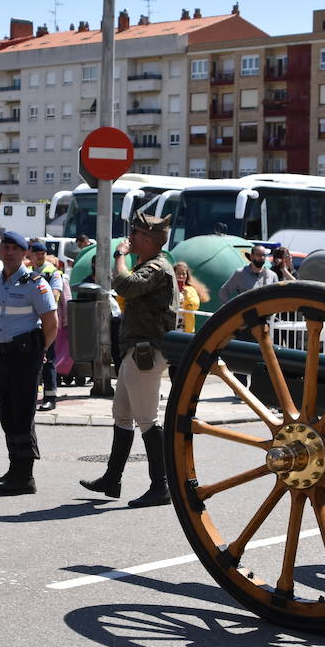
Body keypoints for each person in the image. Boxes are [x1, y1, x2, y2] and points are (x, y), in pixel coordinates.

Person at [80, 212, 178, 507]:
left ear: (147, 240)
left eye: (135, 234)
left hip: (146, 352)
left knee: (147, 420)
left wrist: (119, 257)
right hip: (135, 350)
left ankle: (161, 486)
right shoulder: (150, 265)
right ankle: (113, 477)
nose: (130, 238)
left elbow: (125, 286)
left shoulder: (157, 267)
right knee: (122, 413)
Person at [0, 230, 58, 495]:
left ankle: (25, 476)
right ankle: (14, 469)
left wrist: (40, 352)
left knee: (23, 415)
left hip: (26, 357)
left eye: (14, 248)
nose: (8, 252)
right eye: (4, 247)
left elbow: (51, 324)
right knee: (7, 415)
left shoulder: (35, 283)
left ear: (24, 253)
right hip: (4, 355)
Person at [28, 240, 65, 411]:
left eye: (42, 253)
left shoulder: (52, 272)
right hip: (30, 323)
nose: (40, 257)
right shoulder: (28, 272)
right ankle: (30, 396)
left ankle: (50, 397)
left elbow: (56, 294)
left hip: (47, 322)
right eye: (37, 254)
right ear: (31, 254)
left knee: (48, 359)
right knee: (32, 360)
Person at [174, 261, 209, 333]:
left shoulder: (191, 290)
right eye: (178, 274)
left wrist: (186, 296)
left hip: (185, 328)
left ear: (187, 275)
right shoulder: (169, 288)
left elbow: (195, 305)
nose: (181, 276)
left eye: (183, 274)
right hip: (171, 325)